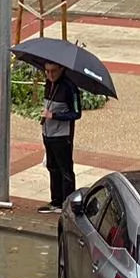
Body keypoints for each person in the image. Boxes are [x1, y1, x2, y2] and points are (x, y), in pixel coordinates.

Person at [37, 60, 81, 213]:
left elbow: (76, 113)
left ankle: (67, 203)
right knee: (52, 167)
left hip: (62, 136)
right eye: (47, 71)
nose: (50, 75)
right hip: (48, 132)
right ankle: (55, 201)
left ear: (61, 69)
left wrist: (54, 115)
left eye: (53, 71)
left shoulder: (70, 87)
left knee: (65, 170)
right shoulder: (49, 84)